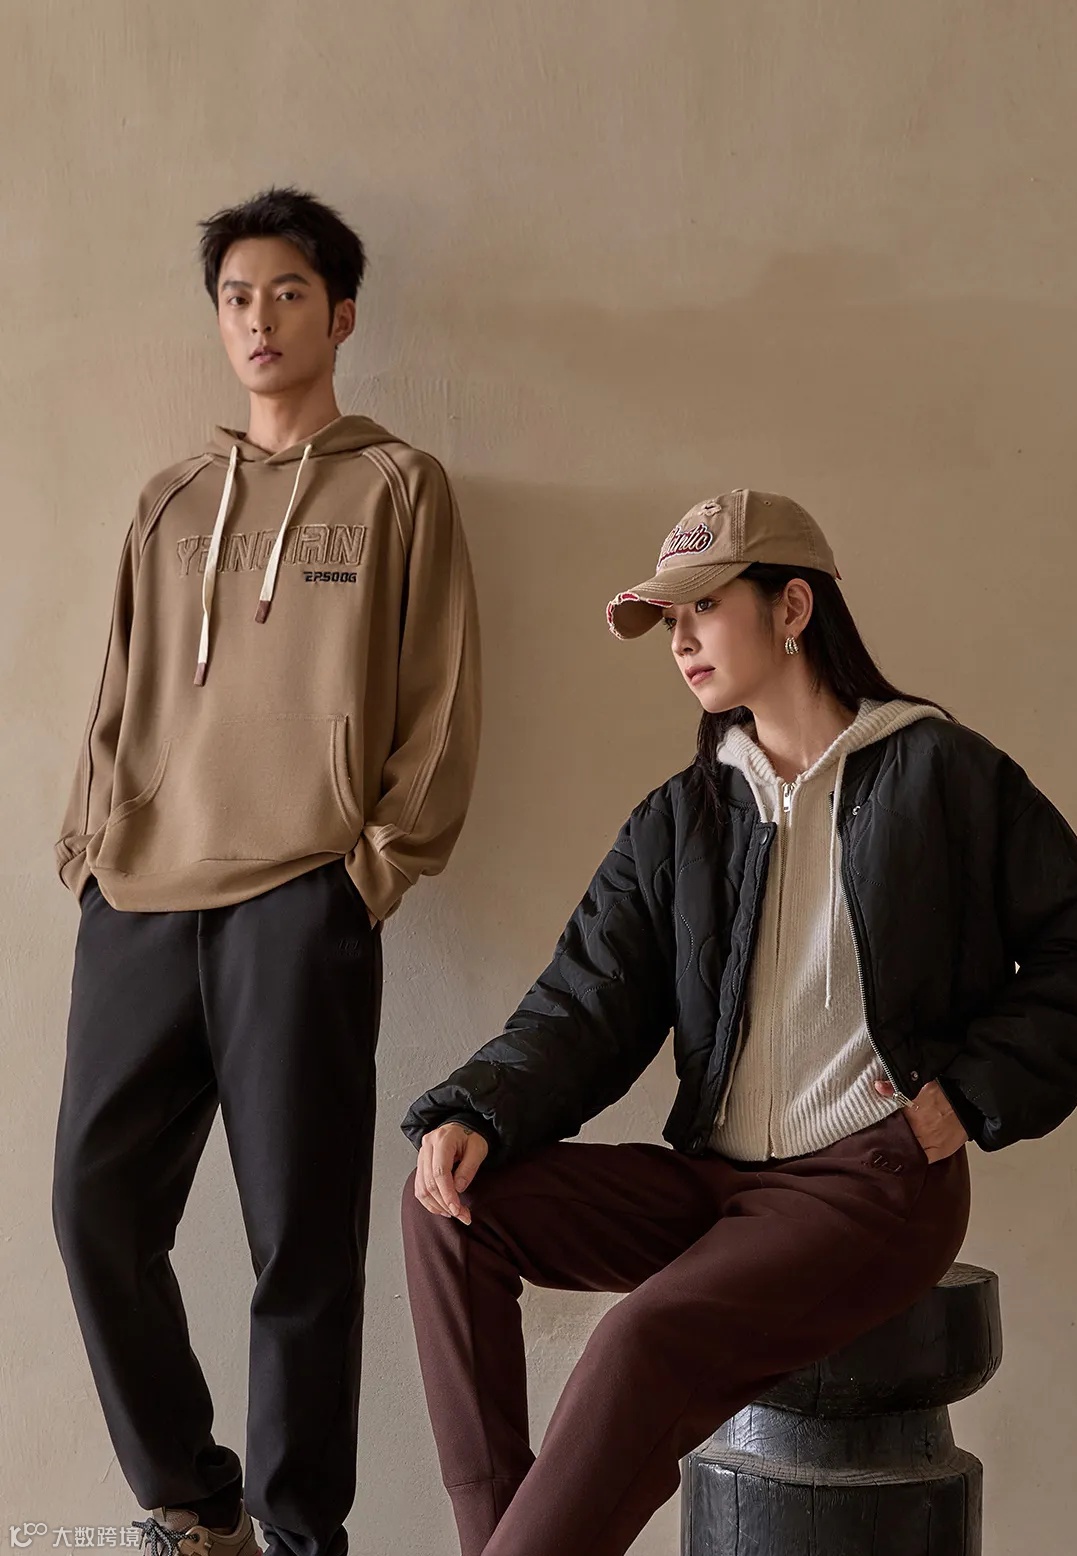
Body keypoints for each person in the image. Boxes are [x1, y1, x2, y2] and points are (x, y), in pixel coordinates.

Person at [400, 488, 1077, 1556]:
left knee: (637, 1342)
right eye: (669, 621)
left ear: (792, 607)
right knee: (450, 1208)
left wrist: (971, 1092)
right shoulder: (684, 818)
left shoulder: (941, 775)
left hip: (871, 1182)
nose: (681, 642)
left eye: (704, 608)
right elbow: (583, 1002)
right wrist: (476, 1110)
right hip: (716, 1185)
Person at [51, 188, 481, 1556]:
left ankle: (301, 1537)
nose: (258, 317)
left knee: (299, 1241)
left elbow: (439, 700)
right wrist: (88, 852)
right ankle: (196, 1505)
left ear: (340, 315)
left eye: (287, 292)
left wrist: (372, 869)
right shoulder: (171, 497)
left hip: (301, 897)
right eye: (236, 296)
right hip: (140, 898)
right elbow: (119, 691)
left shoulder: (400, 486)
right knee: (93, 1207)